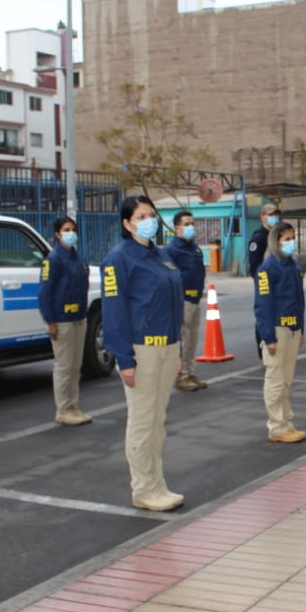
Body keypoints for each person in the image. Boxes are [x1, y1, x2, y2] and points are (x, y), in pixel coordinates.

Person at [102, 196, 186, 512]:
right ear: (127, 223)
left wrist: (176, 347)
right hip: (143, 350)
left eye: (152, 214)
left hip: (167, 346)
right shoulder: (119, 260)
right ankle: (143, 489)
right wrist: (124, 359)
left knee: (157, 421)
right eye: (141, 216)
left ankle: (157, 484)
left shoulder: (160, 256)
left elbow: (173, 303)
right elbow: (114, 312)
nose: (149, 220)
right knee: (142, 421)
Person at [255, 220, 306, 443]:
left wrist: (301, 328)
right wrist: (268, 337)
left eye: (293, 238)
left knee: (286, 380)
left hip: (293, 328)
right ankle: (276, 426)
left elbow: (299, 301)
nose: (291, 242)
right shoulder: (267, 269)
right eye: (287, 239)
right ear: (276, 241)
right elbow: (263, 305)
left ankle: (286, 422)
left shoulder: (293, 266)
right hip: (277, 330)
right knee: (275, 380)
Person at [39, 215, 93, 426]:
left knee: (75, 365)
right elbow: (45, 293)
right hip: (62, 320)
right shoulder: (53, 259)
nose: (71, 233)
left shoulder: (77, 258)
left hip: (78, 317)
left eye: (73, 229)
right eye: (66, 229)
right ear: (57, 234)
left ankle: (74, 405)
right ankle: (63, 408)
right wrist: (50, 321)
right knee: (64, 366)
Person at [164, 210, 208, 391]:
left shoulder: (194, 248)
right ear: (177, 228)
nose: (191, 227)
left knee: (192, 337)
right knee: (183, 338)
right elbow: (169, 277)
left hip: (195, 298)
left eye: (192, 224)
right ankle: (181, 376)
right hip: (182, 299)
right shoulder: (171, 250)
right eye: (186, 224)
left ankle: (189, 371)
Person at [247, 203, 281, 351]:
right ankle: (262, 349)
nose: (274, 218)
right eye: (270, 214)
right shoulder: (259, 238)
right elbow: (254, 266)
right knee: (264, 316)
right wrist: (262, 283)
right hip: (265, 284)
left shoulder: (277, 236)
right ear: (262, 217)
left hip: (279, 283)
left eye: (276, 215)